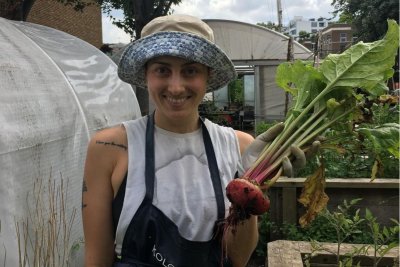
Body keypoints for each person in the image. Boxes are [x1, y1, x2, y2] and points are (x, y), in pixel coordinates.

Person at [82, 14, 261, 267]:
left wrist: (252, 185)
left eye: (190, 71)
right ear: (146, 75)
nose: (176, 87)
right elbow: (97, 259)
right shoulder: (109, 148)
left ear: (207, 77)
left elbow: (238, 258)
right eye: (162, 70)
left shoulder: (239, 147)